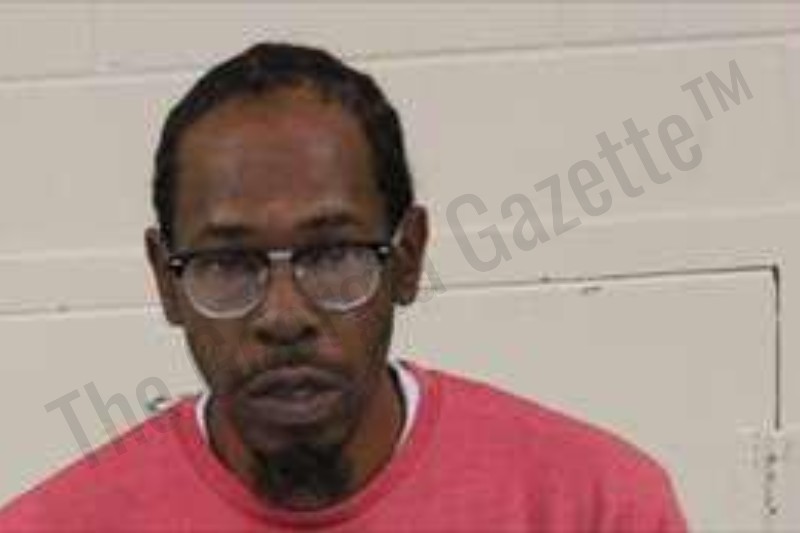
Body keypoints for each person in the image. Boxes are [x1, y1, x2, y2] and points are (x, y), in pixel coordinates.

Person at [0, 42, 687, 531]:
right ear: (165, 280)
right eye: (228, 264)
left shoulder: (593, 508)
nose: (282, 315)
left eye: (332, 256)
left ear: (408, 258)